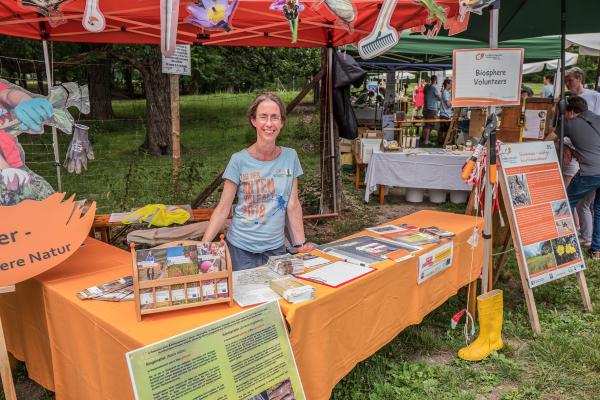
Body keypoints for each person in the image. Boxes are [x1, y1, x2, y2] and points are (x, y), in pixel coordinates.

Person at [202, 92, 316, 270]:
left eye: (274, 118)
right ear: (253, 121)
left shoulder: (290, 157)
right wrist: (204, 246)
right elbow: (223, 208)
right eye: (263, 117)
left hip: (277, 249)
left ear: (282, 122)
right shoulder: (238, 160)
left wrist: (300, 244)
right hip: (240, 250)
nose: (269, 124)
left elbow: (292, 204)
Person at [558, 96, 600, 259]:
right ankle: (596, 250)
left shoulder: (569, 123)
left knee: (565, 202)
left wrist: (565, 145)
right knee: (598, 209)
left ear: (571, 112)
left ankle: (563, 243)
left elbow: (550, 138)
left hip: (590, 172)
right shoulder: (597, 118)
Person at [0, 81, 54, 206]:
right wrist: (5, 169)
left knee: (45, 197)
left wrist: (26, 100)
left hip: (13, 167)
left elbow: (8, 94)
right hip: (5, 170)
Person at [565, 67, 600, 247]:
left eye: (570, 80)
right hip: (581, 155)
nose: (567, 83)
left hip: (590, 160)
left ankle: (576, 236)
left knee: (580, 201)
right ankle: (593, 245)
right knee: (587, 204)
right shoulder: (566, 100)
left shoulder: (594, 97)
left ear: (579, 78)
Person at [422, 75, 441, 145]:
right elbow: (439, 98)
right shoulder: (434, 87)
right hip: (431, 108)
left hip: (427, 108)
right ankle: (426, 140)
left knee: (427, 124)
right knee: (429, 125)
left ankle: (425, 139)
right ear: (435, 80)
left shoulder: (429, 87)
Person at [437, 78, 453, 146]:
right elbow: (448, 104)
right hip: (445, 114)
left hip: (445, 114)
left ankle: (441, 142)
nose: (452, 85)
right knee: (445, 130)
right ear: (447, 84)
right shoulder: (446, 93)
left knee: (442, 130)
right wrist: (454, 101)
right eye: (451, 84)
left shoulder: (445, 92)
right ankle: (443, 143)